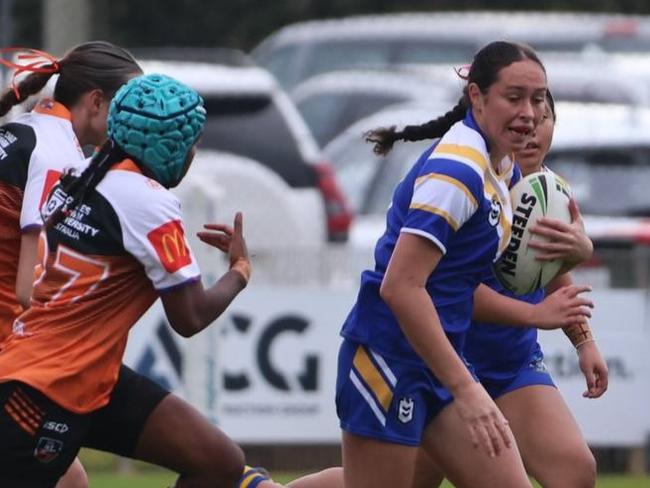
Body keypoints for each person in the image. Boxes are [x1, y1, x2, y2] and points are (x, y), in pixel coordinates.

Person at [334, 40, 599, 488]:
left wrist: (579, 263)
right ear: (476, 97)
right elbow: (400, 287)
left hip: (443, 360)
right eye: (513, 98)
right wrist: (468, 387)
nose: (529, 113)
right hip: (389, 358)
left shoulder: (505, 168)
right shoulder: (457, 172)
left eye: (538, 100)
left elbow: (523, 258)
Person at [0, 73, 252, 488]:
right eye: (192, 143)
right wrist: (240, 271)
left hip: (87, 378)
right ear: (170, 145)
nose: (193, 154)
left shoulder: (79, 175)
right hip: (42, 392)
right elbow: (189, 317)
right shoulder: (147, 200)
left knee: (218, 460)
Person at [408, 91, 607, 488]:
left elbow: (548, 270)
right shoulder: (470, 177)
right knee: (389, 484)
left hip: (511, 363)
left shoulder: (547, 191)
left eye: (544, 116)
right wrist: (534, 314)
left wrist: (584, 341)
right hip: (446, 360)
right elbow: (445, 288)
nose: (532, 128)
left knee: (574, 470)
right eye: (522, 115)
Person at [0, 41, 147, 488]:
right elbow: (32, 287)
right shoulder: (59, 156)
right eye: (125, 109)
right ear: (97, 101)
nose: (131, 124)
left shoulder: (22, 128)